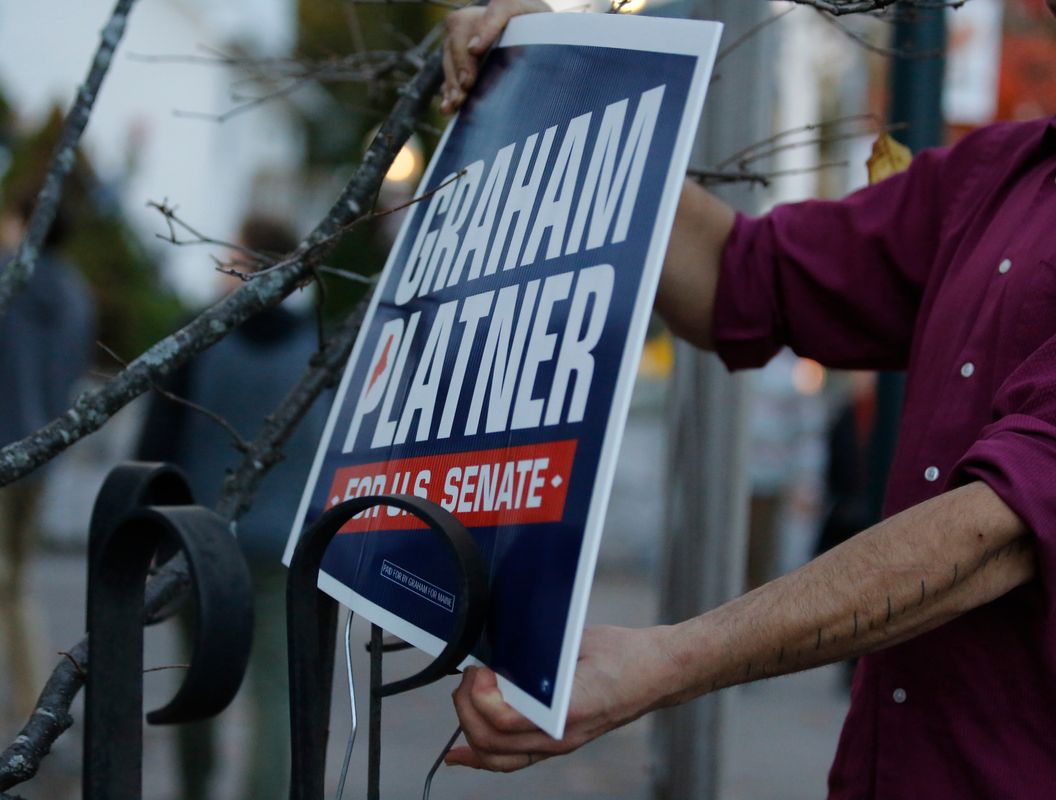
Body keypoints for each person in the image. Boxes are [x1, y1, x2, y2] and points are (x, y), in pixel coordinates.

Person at [439, 3, 1056, 798]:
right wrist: (567, 96)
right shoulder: (996, 174)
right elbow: (743, 274)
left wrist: (666, 661)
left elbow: (998, 530)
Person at [135, 215, 326, 800]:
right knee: (276, 690)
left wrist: (150, 540)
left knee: (197, 681)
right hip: (286, 544)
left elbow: (157, 445)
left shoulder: (199, 335)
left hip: (201, 541)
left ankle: (194, 791)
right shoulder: (319, 343)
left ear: (246, 262)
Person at [0, 186, 96, 762]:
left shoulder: (1, 277)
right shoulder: (75, 291)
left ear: (20, 220)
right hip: (40, 457)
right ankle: (40, 723)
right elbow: (73, 373)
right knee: (16, 587)